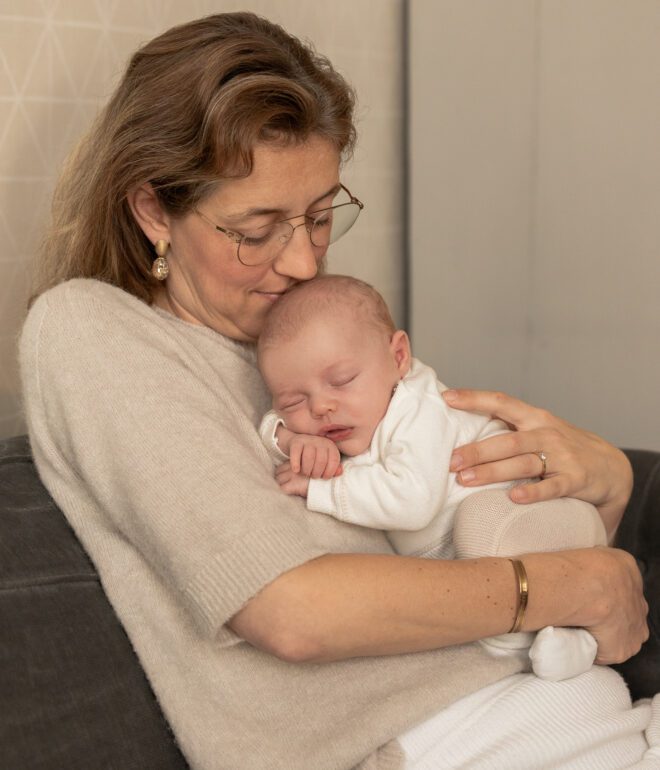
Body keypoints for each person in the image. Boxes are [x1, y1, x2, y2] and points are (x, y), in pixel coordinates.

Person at [18, 11, 656, 770]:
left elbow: (443, 524)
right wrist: (559, 585)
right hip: (443, 743)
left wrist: (606, 485)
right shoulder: (91, 332)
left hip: (565, 697)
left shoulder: (297, 340)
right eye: (257, 229)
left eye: (320, 217)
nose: (301, 263)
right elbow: (291, 610)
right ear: (154, 208)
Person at [257, 273, 606, 682]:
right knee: (475, 584)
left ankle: (560, 632)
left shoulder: (418, 408)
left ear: (399, 357)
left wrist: (323, 489)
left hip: (547, 523)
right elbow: (266, 424)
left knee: (482, 527)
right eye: (295, 400)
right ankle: (566, 640)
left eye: (342, 381)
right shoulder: (347, 418)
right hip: (504, 564)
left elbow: (411, 503)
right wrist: (288, 437)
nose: (322, 407)